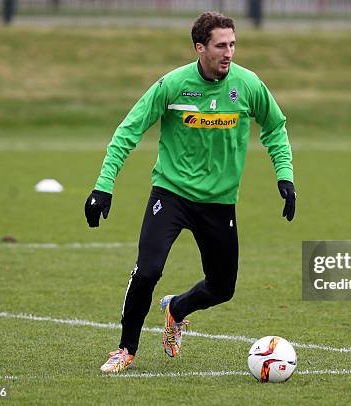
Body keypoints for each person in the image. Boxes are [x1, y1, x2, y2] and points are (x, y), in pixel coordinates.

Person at [85, 11, 296, 373]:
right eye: (220, 45)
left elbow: (275, 127)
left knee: (222, 288)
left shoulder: (247, 85)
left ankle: (177, 310)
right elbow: (127, 132)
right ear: (200, 48)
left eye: (232, 44)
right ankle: (125, 349)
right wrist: (103, 187)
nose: (228, 52)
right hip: (171, 195)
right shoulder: (172, 84)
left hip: (219, 203)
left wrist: (285, 177)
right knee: (148, 271)